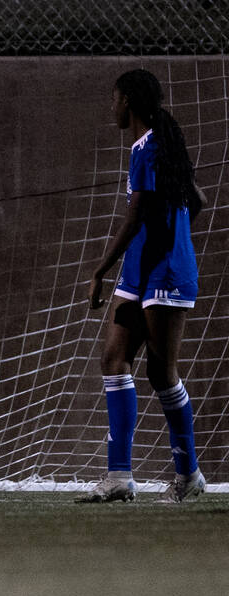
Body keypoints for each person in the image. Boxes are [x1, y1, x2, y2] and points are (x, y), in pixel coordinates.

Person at [77, 69, 206, 504]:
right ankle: (118, 477)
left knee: (161, 373)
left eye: (114, 99)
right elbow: (198, 202)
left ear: (128, 101)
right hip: (139, 271)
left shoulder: (152, 147)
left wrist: (99, 270)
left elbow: (135, 217)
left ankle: (189, 475)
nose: (111, 108)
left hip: (164, 272)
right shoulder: (150, 147)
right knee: (113, 359)